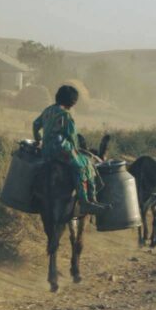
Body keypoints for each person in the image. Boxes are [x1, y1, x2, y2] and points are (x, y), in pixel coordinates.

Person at [33, 84, 108, 214]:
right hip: (61, 151)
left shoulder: (48, 110)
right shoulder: (66, 115)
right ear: (72, 102)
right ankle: (86, 202)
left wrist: (38, 140)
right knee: (84, 165)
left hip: (46, 151)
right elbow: (72, 137)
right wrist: (76, 150)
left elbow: (35, 124)